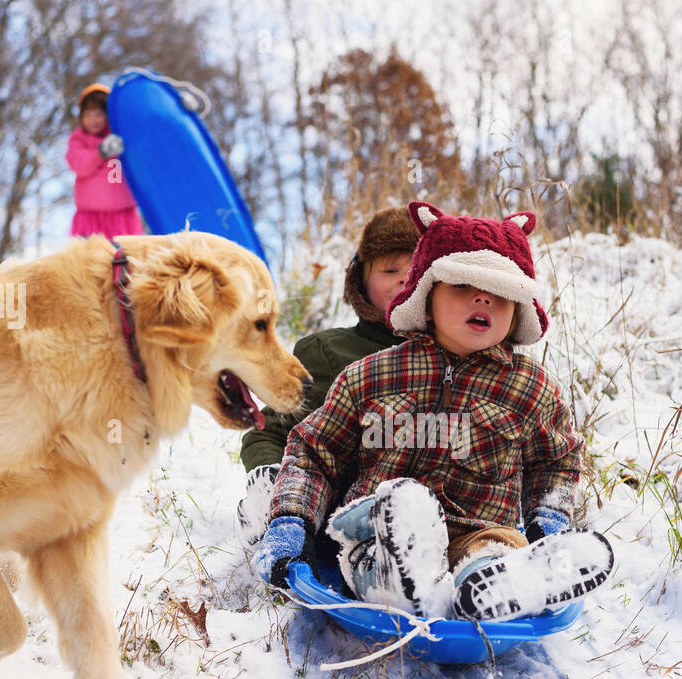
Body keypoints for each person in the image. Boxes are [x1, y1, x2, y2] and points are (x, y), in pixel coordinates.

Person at [254, 201, 614, 621]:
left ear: (519, 307)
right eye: (462, 286)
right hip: (381, 529)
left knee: (497, 548)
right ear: (427, 297)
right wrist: (291, 521)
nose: (483, 298)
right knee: (387, 533)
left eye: (501, 292)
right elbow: (314, 451)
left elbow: (556, 461)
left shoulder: (529, 389)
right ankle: (401, 585)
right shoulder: (372, 376)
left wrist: (547, 519)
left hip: (479, 529)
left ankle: (502, 584)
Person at [236, 205, 418, 543]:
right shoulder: (331, 352)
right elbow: (273, 432)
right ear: (360, 283)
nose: (405, 278)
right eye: (390, 270)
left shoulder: (457, 354)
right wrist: (272, 478)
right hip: (345, 508)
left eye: (417, 268)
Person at [65, 83, 143, 239]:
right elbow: (78, 163)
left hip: (122, 216)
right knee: (88, 260)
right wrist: (100, 153)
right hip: (90, 216)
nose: (93, 120)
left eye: (99, 114)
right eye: (88, 115)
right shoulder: (79, 140)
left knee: (124, 258)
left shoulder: (121, 136)